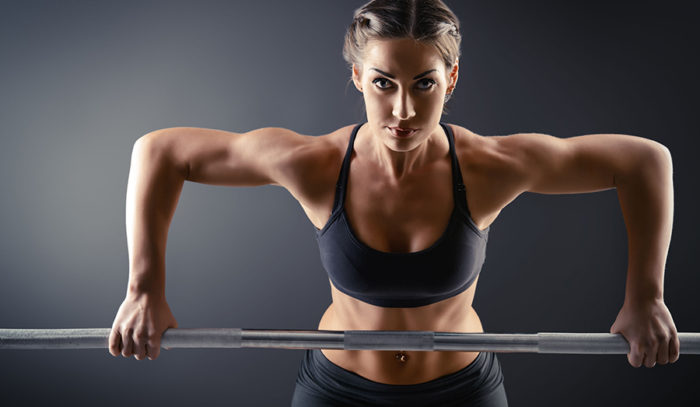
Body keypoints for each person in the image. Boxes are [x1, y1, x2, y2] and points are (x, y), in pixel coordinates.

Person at [108, 0, 680, 405]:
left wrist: (646, 298)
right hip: (339, 388)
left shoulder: (487, 168)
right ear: (357, 77)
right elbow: (158, 152)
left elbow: (644, 162)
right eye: (383, 83)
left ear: (450, 79)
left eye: (423, 84)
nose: (403, 109)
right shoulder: (315, 165)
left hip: (461, 390)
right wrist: (143, 290)